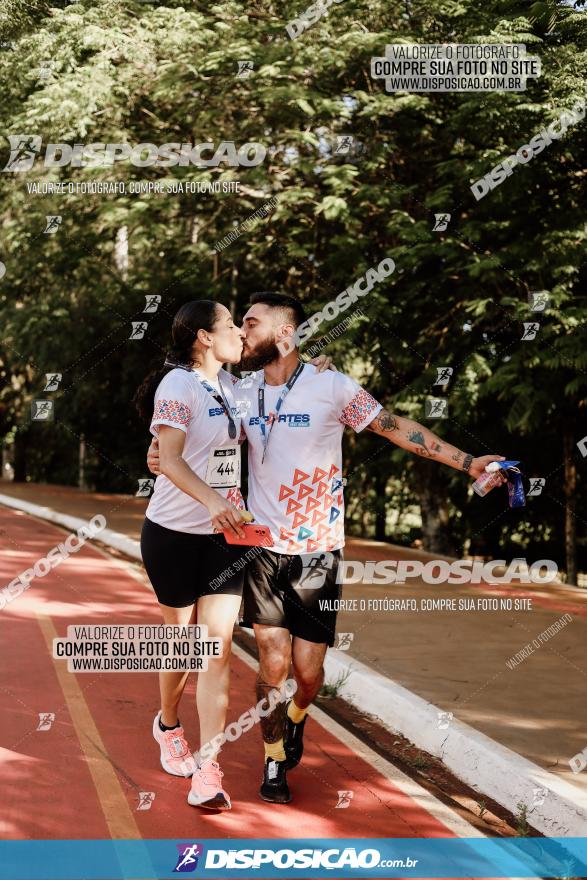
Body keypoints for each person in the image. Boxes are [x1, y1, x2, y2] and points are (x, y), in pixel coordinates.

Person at [147, 291, 505, 805]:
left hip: (319, 551)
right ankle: (272, 763)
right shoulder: (238, 389)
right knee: (271, 661)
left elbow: (395, 428)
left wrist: (468, 461)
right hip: (261, 548)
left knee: (309, 673)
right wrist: (157, 452)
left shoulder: (331, 385)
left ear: (286, 335)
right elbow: (188, 423)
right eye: (238, 324)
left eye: (252, 323)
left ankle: (296, 719)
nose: (242, 332)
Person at [133, 299, 249, 811]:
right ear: (204, 336)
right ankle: (167, 723)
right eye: (231, 327)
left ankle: (209, 768)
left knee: (217, 649)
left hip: (225, 538)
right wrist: (214, 502)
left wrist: (319, 371)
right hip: (174, 533)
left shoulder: (232, 387)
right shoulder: (178, 385)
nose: (240, 335)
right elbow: (171, 459)